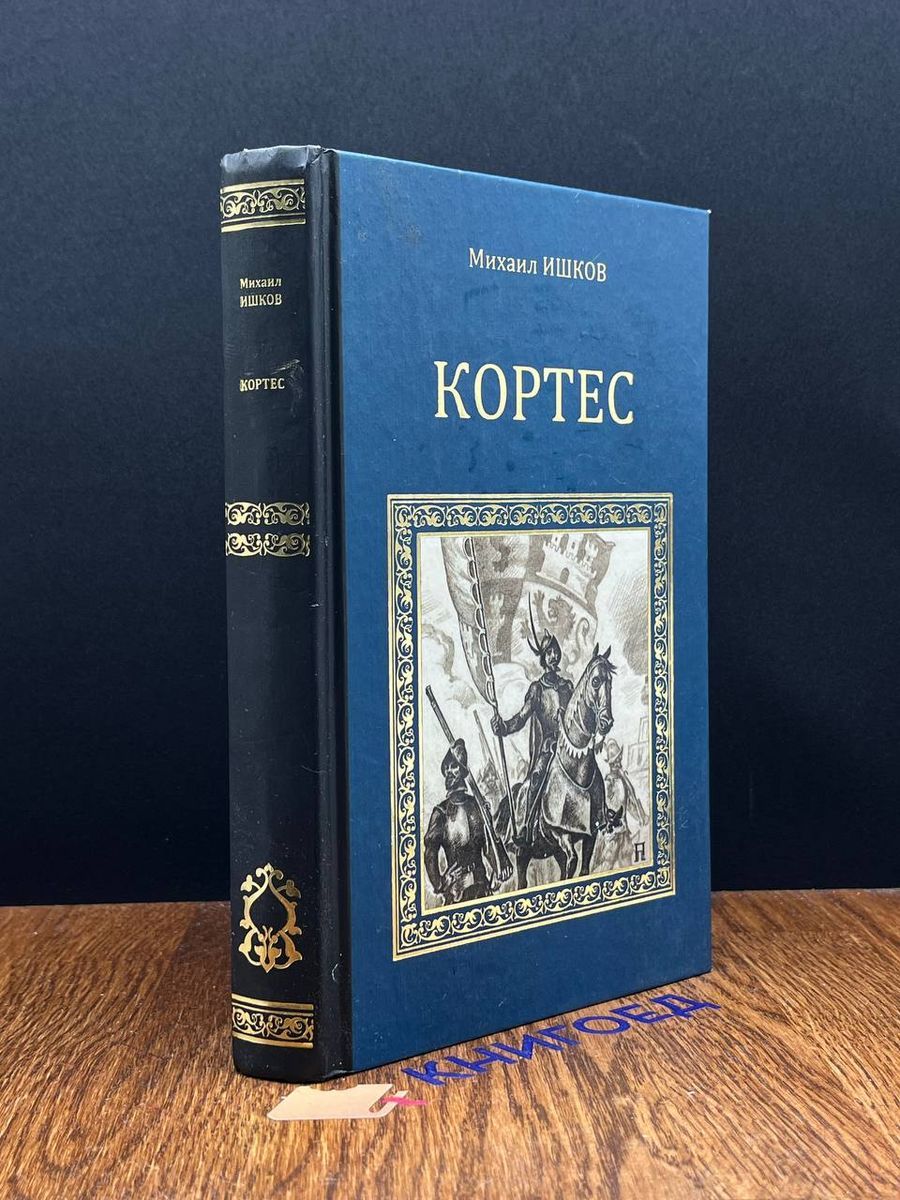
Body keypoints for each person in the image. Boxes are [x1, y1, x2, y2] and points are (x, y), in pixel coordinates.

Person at [490, 618, 573, 842]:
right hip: (549, 749)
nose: (553, 656)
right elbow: (521, 718)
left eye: (555, 651)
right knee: (537, 778)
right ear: (543, 659)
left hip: (569, 748)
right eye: (549, 653)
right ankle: (527, 824)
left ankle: (600, 815)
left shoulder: (567, 687)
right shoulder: (537, 689)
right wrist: (503, 727)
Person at [424, 739, 494, 904]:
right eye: (446, 767)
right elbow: (430, 852)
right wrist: (440, 883)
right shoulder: (440, 812)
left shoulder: (477, 805)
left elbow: (488, 844)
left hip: (482, 886)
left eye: (454, 766)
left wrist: (498, 868)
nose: (449, 771)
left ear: (462, 771)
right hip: (457, 893)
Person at [604, 738, 647, 837]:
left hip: (624, 830)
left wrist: (641, 818)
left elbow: (629, 803)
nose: (619, 763)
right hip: (613, 830)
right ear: (611, 764)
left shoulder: (622, 779)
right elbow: (606, 806)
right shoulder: (609, 782)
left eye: (619, 759)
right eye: (616, 761)